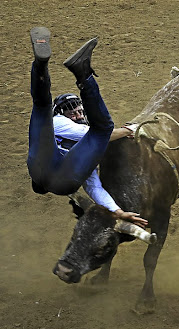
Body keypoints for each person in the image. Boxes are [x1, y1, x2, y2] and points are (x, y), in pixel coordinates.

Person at [26, 27, 147, 227]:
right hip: (62, 180)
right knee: (102, 129)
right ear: (61, 114)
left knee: (41, 104)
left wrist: (118, 212)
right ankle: (83, 74)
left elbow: (94, 187)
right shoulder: (59, 123)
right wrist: (128, 130)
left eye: (78, 110)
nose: (77, 114)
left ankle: (40, 65)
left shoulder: (61, 130)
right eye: (71, 111)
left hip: (38, 167)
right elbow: (89, 133)